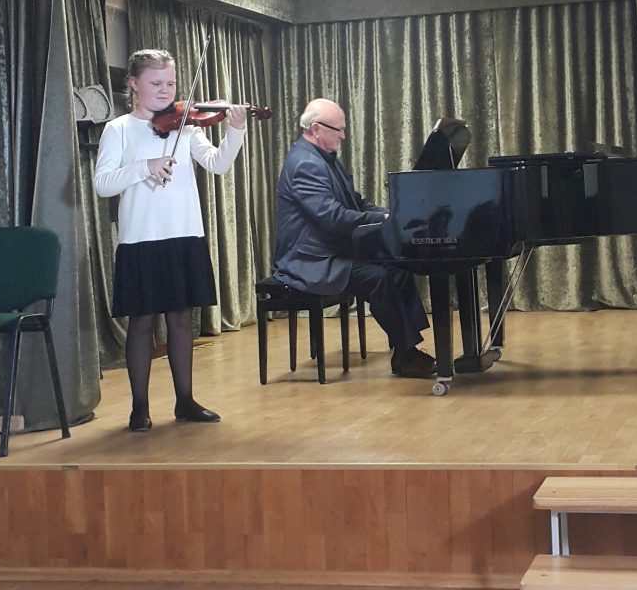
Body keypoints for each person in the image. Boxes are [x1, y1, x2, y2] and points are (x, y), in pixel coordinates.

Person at [94, 48, 248, 431]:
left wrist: (236, 130)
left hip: (184, 232)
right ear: (134, 84)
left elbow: (217, 164)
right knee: (142, 321)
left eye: (171, 83)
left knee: (181, 318)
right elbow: (103, 184)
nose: (165, 90)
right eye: (156, 83)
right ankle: (139, 407)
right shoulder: (118, 129)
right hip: (140, 238)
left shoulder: (186, 127)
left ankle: (185, 401)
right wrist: (144, 167)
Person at [271, 98, 436, 378]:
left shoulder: (325, 158)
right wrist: (382, 220)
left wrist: (388, 213)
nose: (343, 136)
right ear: (315, 129)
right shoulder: (304, 164)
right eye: (338, 129)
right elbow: (332, 217)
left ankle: (405, 349)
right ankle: (407, 353)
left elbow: (354, 202)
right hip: (310, 260)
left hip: (331, 251)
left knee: (398, 268)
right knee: (378, 278)